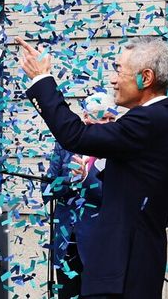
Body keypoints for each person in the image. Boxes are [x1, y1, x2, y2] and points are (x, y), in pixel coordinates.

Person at [16, 36, 168, 299]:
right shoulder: (165, 121)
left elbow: (76, 136)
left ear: (146, 77)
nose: (112, 79)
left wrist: (43, 79)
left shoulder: (150, 121)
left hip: (122, 272)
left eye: (119, 70)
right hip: (131, 267)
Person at [44, 92, 118, 299]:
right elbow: (48, 189)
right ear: (87, 117)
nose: (109, 124)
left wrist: (87, 179)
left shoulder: (117, 150)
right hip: (66, 241)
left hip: (99, 244)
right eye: (104, 118)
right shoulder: (65, 146)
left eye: (112, 118)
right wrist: (72, 181)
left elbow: (116, 197)